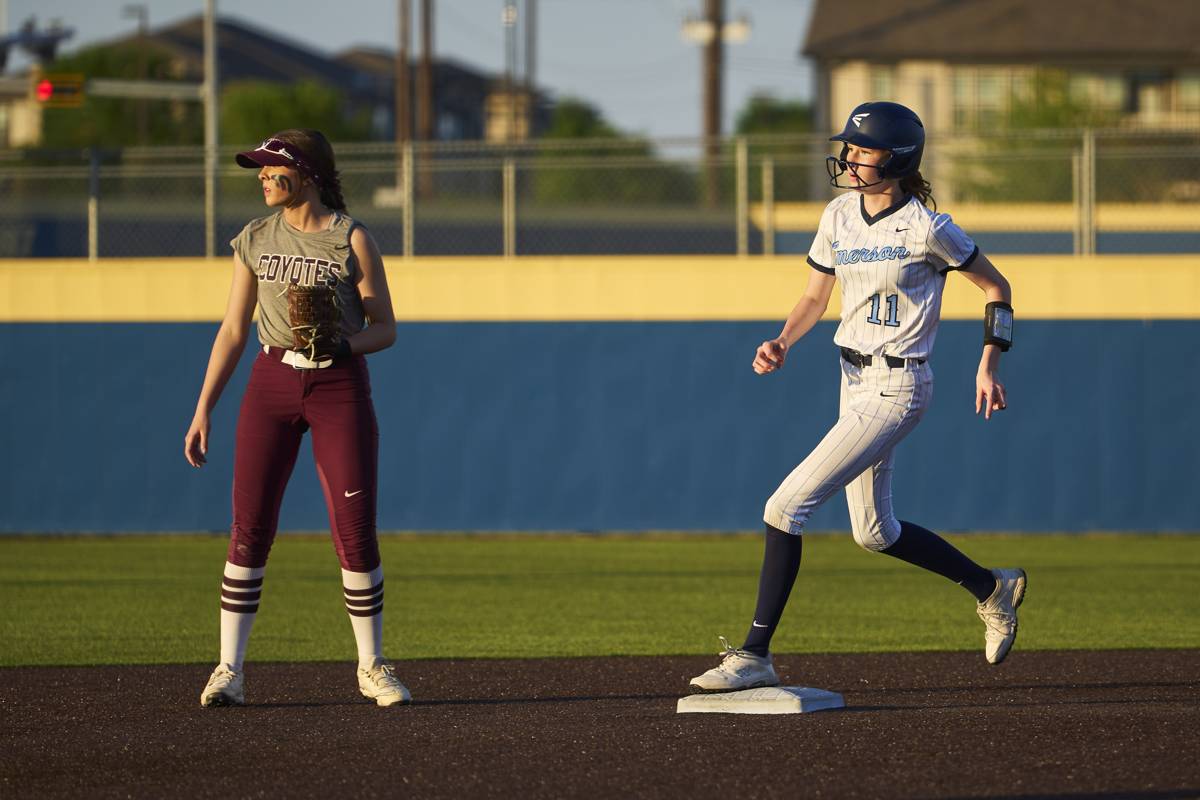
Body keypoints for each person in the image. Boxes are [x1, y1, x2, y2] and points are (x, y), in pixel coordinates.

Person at [689, 102, 1025, 693]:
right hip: (853, 379)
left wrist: (988, 362)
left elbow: (996, 287)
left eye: (862, 149)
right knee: (875, 532)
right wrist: (783, 340)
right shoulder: (840, 214)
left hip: (899, 384)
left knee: (783, 507)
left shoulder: (929, 226)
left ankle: (754, 654)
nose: (848, 156)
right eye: (848, 147)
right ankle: (991, 587)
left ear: (896, 159)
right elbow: (816, 297)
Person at [184, 129, 409, 708]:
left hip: (336, 383)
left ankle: (372, 666)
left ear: (306, 173)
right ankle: (228, 670)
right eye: (258, 170)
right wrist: (204, 405)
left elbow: (385, 328)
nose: (261, 177)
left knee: (355, 532)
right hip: (272, 381)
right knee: (250, 526)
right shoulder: (255, 238)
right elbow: (234, 329)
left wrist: (343, 346)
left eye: (271, 169)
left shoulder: (351, 237)